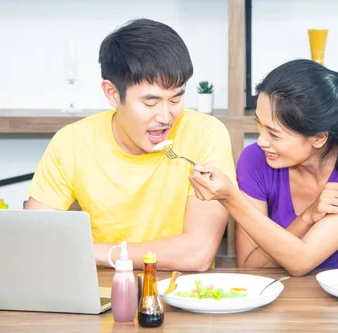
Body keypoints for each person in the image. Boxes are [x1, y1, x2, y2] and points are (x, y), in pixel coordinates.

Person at [25, 18, 236, 272]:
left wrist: (101, 252)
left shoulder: (205, 134)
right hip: (101, 291)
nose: (165, 117)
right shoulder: (72, 142)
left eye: (176, 98)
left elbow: (197, 253)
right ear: (113, 94)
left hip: (183, 292)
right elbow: (38, 240)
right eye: (150, 102)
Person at [189, 59, 338, 277]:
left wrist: (231, 197)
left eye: (274, 133)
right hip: (291, 301)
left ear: (318, 137)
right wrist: (307, 217)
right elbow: (251, 264)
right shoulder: (256, 160)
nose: (261, 141)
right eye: (259, 125)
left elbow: (301, 261)